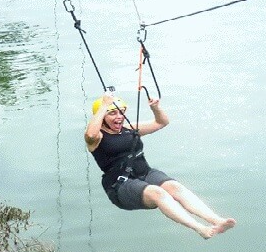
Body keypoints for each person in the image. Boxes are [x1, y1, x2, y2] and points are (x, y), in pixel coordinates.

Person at [84, 91, 236, 239]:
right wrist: (104, 105)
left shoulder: (129, 128)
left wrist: (155, 108)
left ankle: (217, 221)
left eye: (121, 112)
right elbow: (90, 135)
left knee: (175, 187)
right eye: (112, 113)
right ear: (102, 116)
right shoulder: (97, 137)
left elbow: (161, 122)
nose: (119, 117)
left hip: (145, 173)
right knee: (158, 193)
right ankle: (200, 228)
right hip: (120, 185)